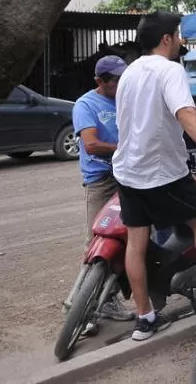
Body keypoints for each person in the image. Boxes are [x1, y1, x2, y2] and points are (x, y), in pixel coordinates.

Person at [112, 11, 196, 341]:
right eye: (177, 35)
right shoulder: (170, 70)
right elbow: (186, 113)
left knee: (135, 243)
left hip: (127, 172)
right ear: (166, 39)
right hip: (162, 171)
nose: (180, 40)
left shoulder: (129, 72)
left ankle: (145, 318)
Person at [70, 55, 134, 323]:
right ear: (100, 81)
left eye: (123, 79)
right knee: (97, 240)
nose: (120, 85)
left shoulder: (128, 100)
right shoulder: (86, 104)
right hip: (101, 179)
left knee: (133, 238)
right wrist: (127, 148)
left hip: (129, 176)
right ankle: (82, 305)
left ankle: (109, 299)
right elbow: (91, 144)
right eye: (115, 80)